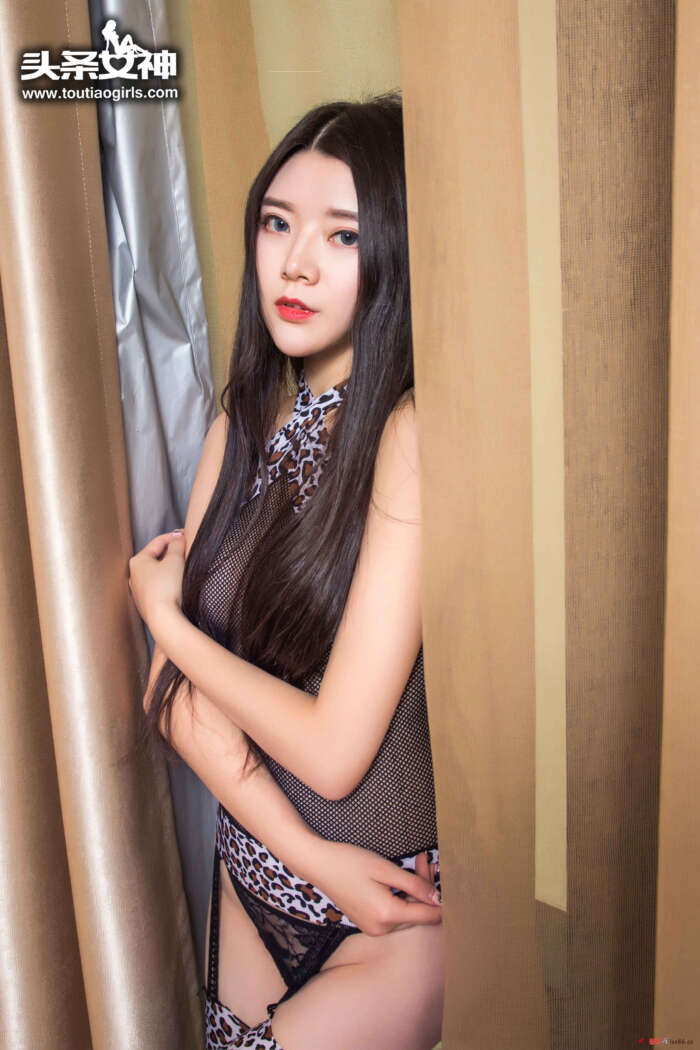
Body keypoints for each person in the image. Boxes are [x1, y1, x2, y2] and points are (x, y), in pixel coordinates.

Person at [127, 92, 443, 1050]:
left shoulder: (407, 435)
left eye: (342, 236)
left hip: (385, 918)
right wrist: (307, 854)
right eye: (277, 223)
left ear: (395, 253)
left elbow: (335, 752)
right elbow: (171, 701)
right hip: (257, 871)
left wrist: (168, 621)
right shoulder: (240, 422)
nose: (296, 263)